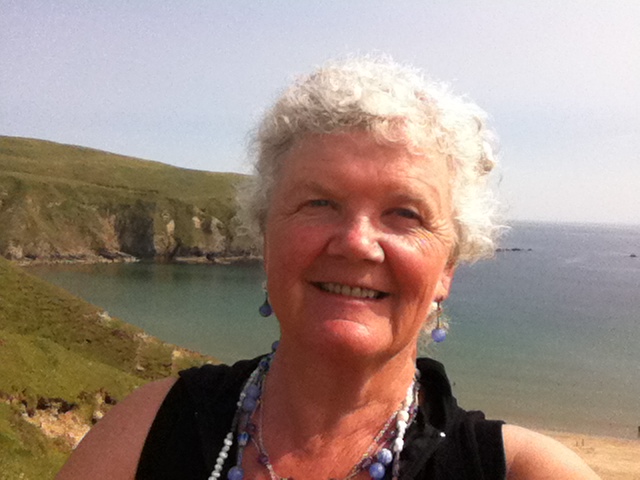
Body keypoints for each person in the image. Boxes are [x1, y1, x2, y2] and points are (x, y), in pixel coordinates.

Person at [57, 56, 599, 479]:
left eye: (405, 213)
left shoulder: (524, 472)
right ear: (266, 240)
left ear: (446, 270)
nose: (357, 243)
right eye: (319, 203)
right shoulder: (147, 430)